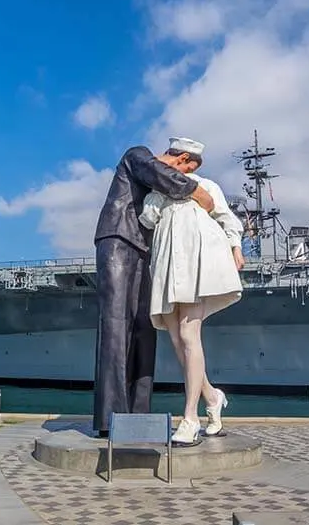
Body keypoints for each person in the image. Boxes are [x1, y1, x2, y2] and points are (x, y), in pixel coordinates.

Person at [91, 140, 215, 437]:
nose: (186, 176)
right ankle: (110, 418)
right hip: (118, 240)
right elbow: (157, 172)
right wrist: (198, 192)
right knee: (116, 326)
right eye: (187, 170)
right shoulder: (138, 155)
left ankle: (138, 416)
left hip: (146, 249)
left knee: (144, 328)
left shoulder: (159, 182)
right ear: (182, 158)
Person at [138, 137, 245, 445]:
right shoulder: (161, 190)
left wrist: (235, 247)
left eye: (173, 157)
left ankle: (189, 417)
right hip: (168, 263)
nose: (166, 160)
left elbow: (226, 217)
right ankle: (212, 397)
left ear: (187, 161)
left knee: (188, 335)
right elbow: (148, 217)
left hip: (197, 262)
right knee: (176, 340)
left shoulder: (208, 186)